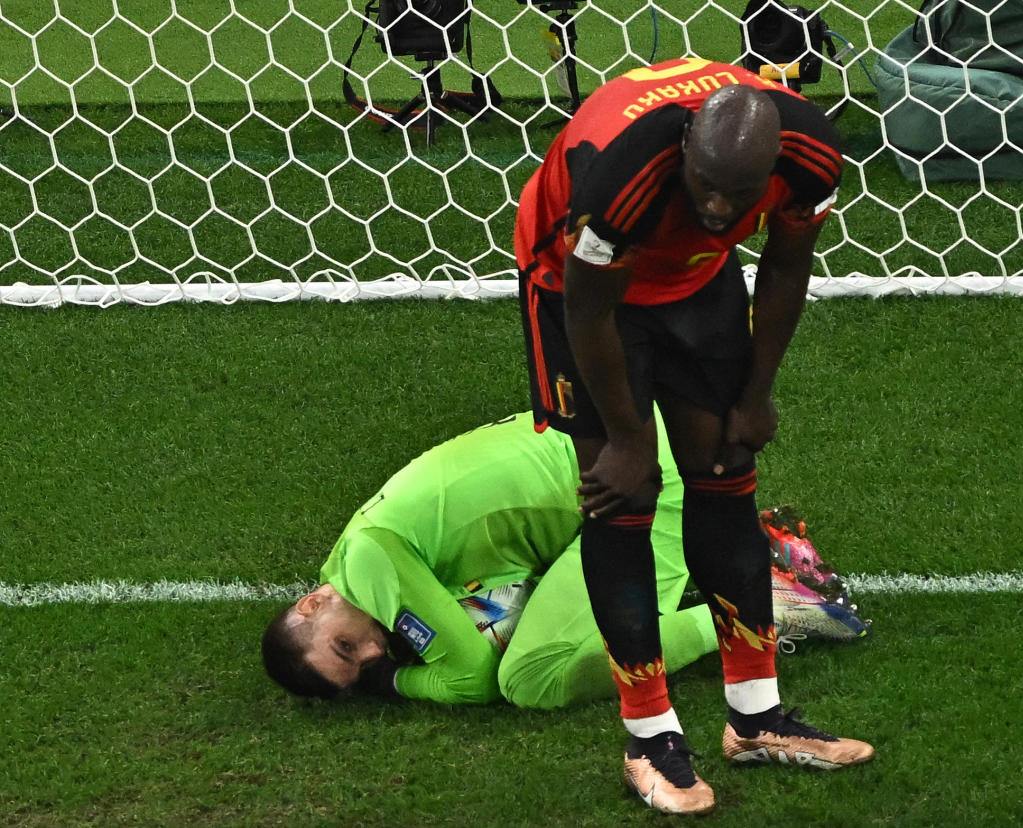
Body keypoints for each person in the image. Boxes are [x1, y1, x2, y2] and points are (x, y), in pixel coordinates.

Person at [515, 57, 872, 814]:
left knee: (725, 465)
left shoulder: (809, 156)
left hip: (695, 278)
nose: (718, 202)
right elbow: (589, 312)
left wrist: (757, 393)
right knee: (624, 494)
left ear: (772, 167)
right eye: (705, 184)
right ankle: (649, 741)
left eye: (737, 194)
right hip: (572, 288)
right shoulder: (622, 178)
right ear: (684, 151)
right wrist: (628, 435)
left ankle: (757, 718)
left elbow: (784, 264)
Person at [261, 411, 861, 707]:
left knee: (530, 679)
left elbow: (472, 679)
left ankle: (767, 604)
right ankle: (740, 543)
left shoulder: (369, 565)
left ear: (313, 604)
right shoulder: (359, 552)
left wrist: (390, 682)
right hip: (628, 449)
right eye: (363, 663)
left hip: (643, 484)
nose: (373, 649)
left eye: (346, 647)